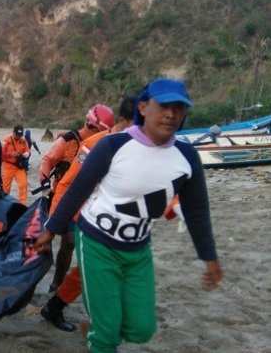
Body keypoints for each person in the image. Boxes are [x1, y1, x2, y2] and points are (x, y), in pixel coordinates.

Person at [34, 78, 222, 353]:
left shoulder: (186, 157)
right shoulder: (110, 145)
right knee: (106, 335)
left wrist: (209, 257)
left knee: (142, 329)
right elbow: (75, 188)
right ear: (143, 108)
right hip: (96, 238)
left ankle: (93, 322)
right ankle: (94, 327)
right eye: (164, 106)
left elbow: (195, 210)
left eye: (179, 108)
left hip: (137, 248)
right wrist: (52, 227)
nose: (171, 113)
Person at [41, 97, 135, 332]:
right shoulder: (93, 145)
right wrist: (53, 225)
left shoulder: (133, 148)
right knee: (83, 258)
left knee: (92, 267)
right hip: (79, 211)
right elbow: (66, 185)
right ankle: (58, 296)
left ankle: (56, 303)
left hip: (107, 217)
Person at [39, 104, 114, 291]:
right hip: (58, 195)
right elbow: (47, 160)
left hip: (81, 202)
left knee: (69, 242)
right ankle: (33, 276)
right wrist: (45, 183)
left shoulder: (102, 146)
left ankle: (56, 284)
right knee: (45, 241)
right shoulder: (67, 141)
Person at [1, 125, 30, 204]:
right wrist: (10, 154)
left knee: (23, 185)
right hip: (8, 167)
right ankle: (4, 204)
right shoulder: (6, 140)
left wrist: (26, 154)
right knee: (5, 188)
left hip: (19, 167)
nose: (18, 137)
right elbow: (0, 153)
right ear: (13, 132)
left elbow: (28, 150)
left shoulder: (23, 140)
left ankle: (23, 205)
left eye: (20, 135)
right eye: (16, 134)